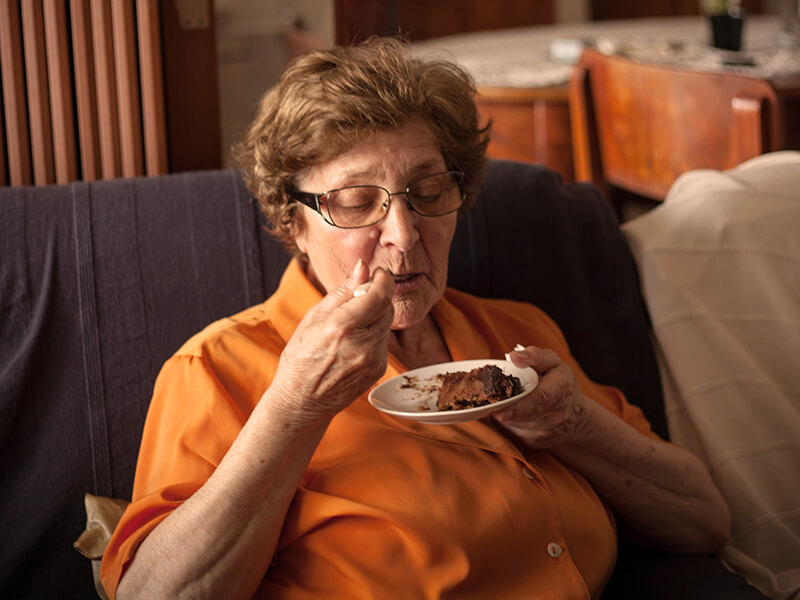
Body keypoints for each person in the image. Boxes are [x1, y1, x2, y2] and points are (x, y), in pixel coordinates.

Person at [100, 37, 730, 599]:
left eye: (428, 194)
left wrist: (572, 424)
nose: (404, 235)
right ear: (293, 223)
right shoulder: (216, 368)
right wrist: (295, 406)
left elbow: (703, 519)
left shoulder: (517, 331)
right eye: (355, 203)